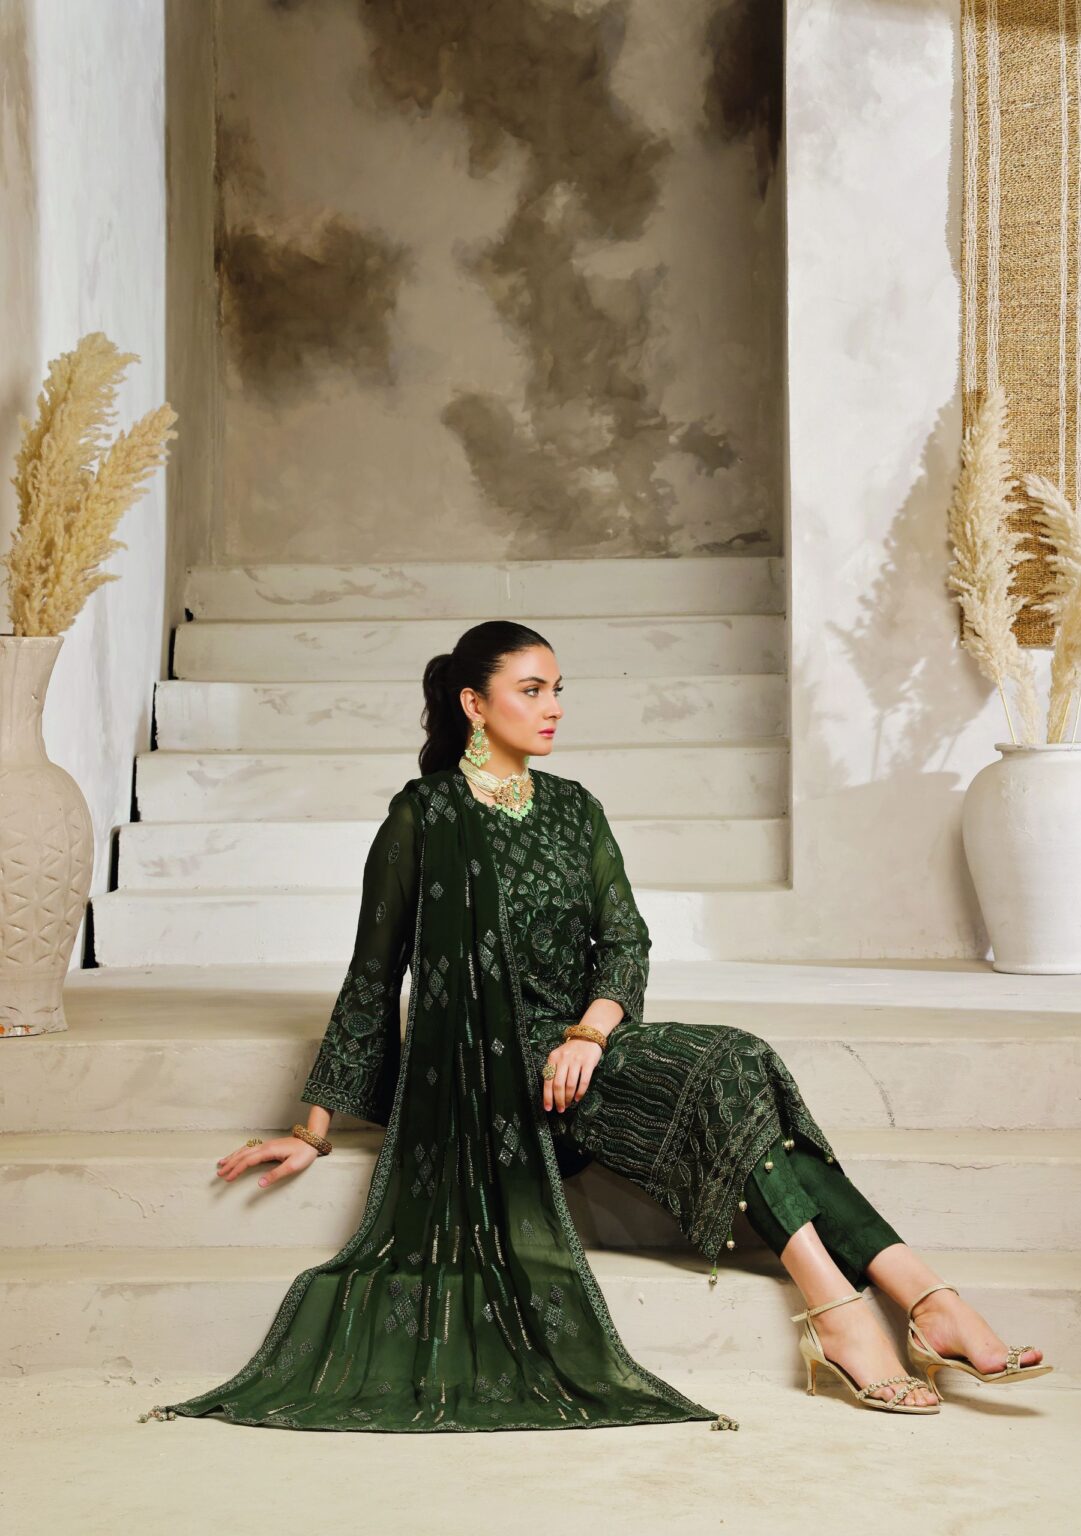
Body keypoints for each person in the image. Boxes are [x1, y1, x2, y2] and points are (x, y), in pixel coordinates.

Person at [141, 621, 1050, 1430]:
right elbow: (373, 975)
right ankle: (907, 1305)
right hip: (496, 1081)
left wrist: (590, 1033)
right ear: (473, 703)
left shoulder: (575, 808)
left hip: (584, 1051)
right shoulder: (423, 817)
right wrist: (312, 1127)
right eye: (531, 689)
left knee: (736, 1061)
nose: (554, 707)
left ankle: (880, 1306)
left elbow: (625, 942)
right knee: (734, 1086)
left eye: (558, 689)